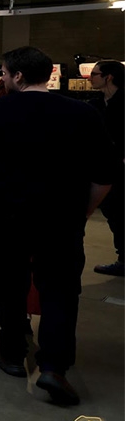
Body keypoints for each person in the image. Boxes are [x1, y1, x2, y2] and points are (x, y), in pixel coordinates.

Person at [0, 46, 114, 406]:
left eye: (4, 73)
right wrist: (82, 212)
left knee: (10, 284)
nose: (2, 78)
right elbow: (104, 175)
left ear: (18, 76)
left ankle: (11, 352)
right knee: (61, 290)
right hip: (61, 219)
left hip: (7, 217)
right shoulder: (84, 113)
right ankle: (53, 366)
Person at [89, 60, 124, 275]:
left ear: (108, 77)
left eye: (94, 74)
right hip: (106, 168)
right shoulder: (96, 104)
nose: (89, 78)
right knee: (114, 214)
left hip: (119, 167)